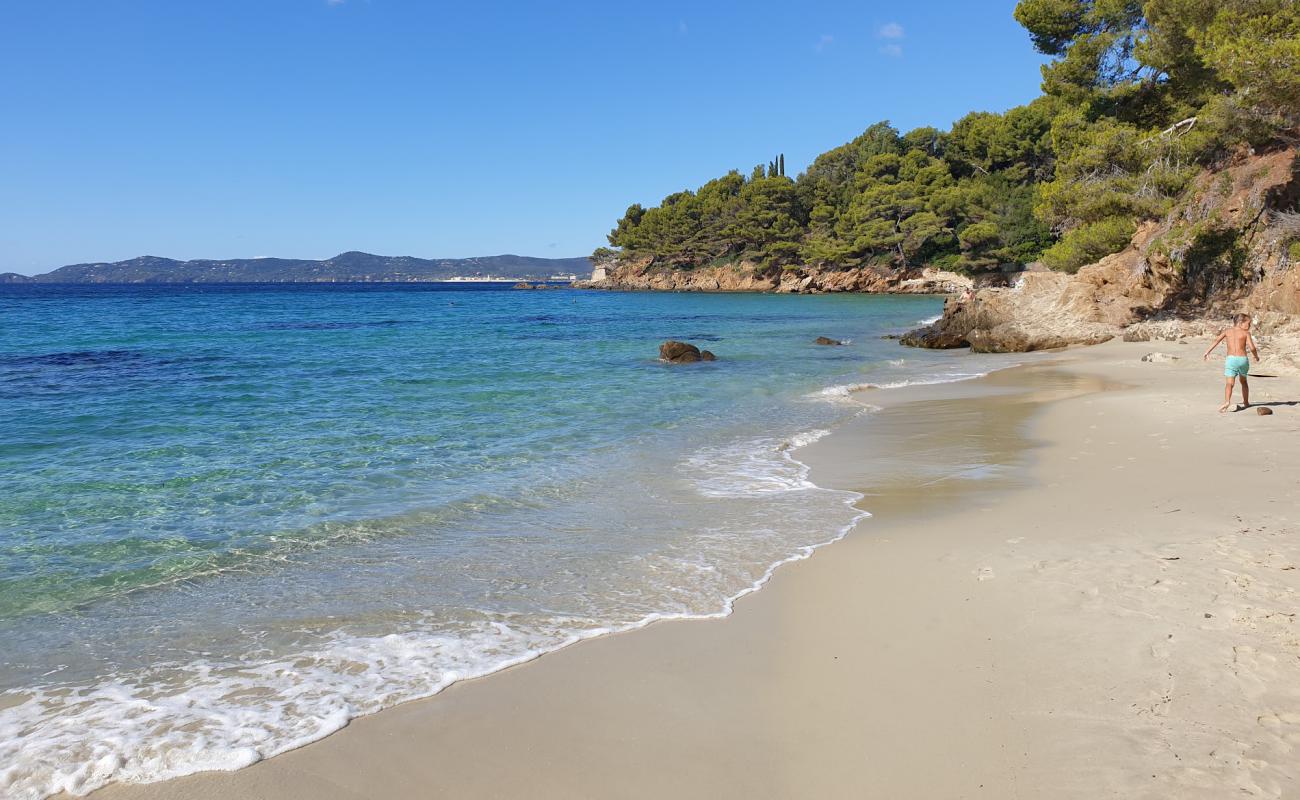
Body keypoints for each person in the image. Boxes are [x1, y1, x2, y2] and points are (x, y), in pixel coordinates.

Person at [1203, 313, 1260, 412]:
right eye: (1248, 324)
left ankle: (1227, 401)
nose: (1249, 326)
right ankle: (1246, 402)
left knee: (1229, 383)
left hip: (1231, 360)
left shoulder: (1227, 331)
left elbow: (1217, 340)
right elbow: (1252, 348)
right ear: (1240, 323)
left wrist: (1207, 352)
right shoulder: (1245, 333)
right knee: (1243, 381)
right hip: (1242, 359)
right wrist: (1256, 357)